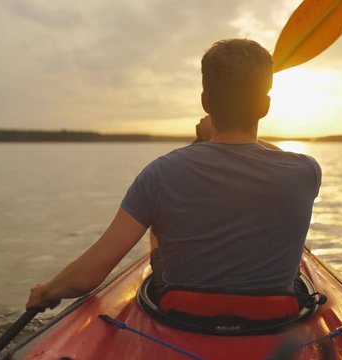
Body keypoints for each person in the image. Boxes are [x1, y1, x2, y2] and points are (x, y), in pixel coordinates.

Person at [26, 39, 321, 317]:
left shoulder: (159, 173)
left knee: (157, 231)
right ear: (265, 107)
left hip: (182, 314)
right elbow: (275, 160)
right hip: (274, 317)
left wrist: (48, 291)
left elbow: (86, 277)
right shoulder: (306, 172)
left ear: (206, 101)